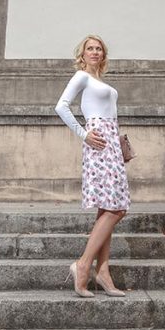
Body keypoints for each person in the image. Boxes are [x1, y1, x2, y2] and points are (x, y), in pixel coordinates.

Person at [55, 34, 131, 297]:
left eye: (99, 48)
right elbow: (61, 106)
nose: (95, 52)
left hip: (111, 143)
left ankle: (104, 272)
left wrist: (119, 144)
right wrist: (84, 134)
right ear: (83, 53)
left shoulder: (100, 81)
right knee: (115, 208)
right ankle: (84, 264)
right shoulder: (82, 76)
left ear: (103, 54)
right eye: (90, 48)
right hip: (98, 142)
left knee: (110, 209)